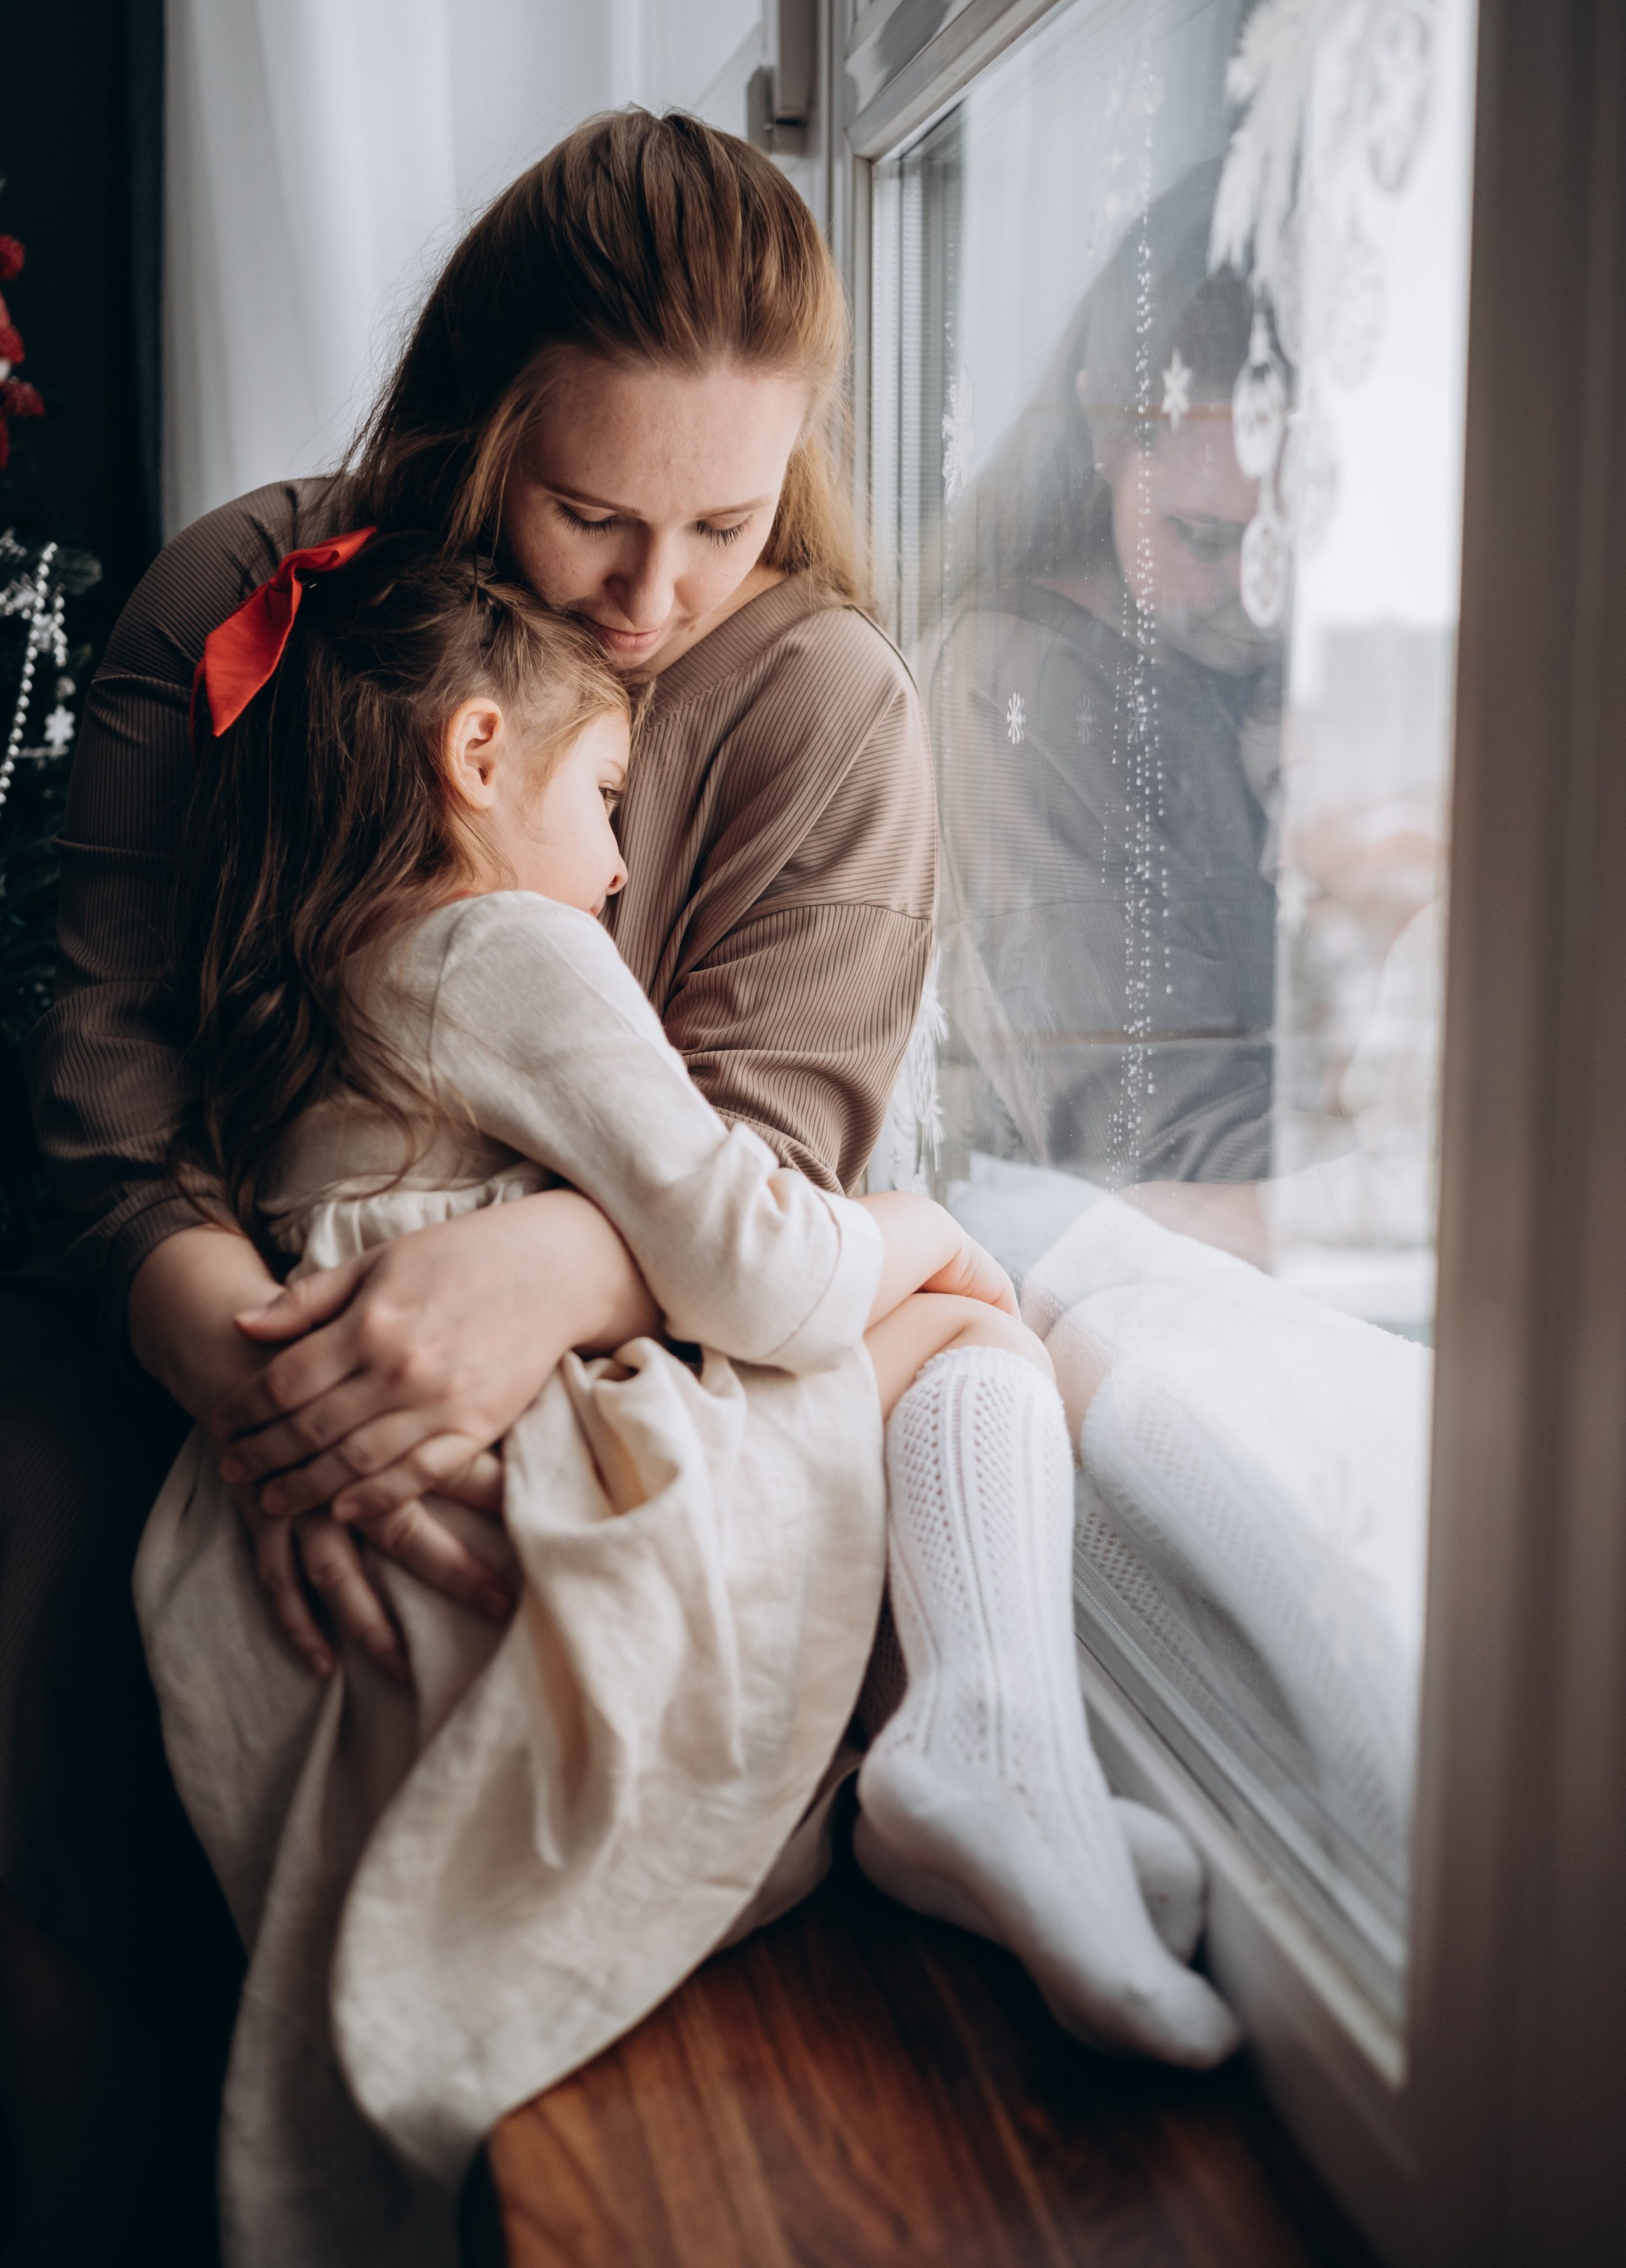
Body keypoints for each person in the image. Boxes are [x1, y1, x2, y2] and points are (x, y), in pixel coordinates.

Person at [3, 112, 1221, 2258]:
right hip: (231, 1311)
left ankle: (955, 1783)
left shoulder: (826, 698)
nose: (653, 602)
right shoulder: (257, 596)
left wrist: (519, 1283)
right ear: (479, 427)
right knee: (44, 1674)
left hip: (644, 1326)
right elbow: (96, 1077)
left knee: (932, 1359)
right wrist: (258, 1371)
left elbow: (769, 1148)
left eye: (724, 525)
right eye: (587, 515)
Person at [921, 161, 1284, 1214]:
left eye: (1302, 540)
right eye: (1209, 538)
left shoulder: (1270, 667)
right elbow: (1164, 1143)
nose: (1265, 597)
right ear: (1102, 431)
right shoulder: (1015, 691)